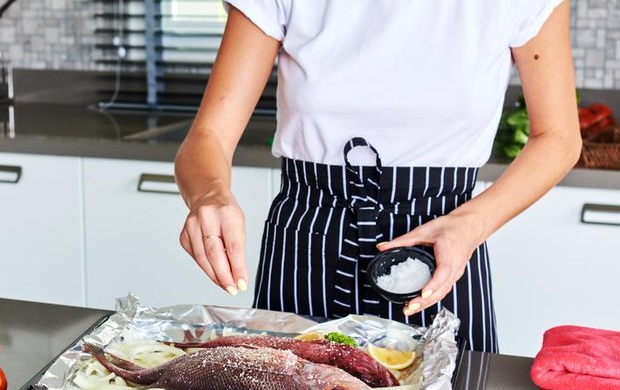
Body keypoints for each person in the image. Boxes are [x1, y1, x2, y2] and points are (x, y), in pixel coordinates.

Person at [173, 0, 581, 352]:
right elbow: (207, 137)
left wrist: (472, 225)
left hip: (446, 248)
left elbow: (558, 137)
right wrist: (209, 194)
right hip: (308, 242)